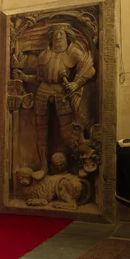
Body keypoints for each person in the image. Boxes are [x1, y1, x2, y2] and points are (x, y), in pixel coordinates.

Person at [13, 23, 95, 180]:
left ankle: (79, 165)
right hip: (43, 91)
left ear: (67, 37)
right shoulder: (44, 55)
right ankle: (44, 167)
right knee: (41, 133)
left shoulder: (73, 53)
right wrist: (24, 77)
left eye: (61, 34)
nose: (58, 37)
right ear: (51, 38)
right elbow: (39, 78)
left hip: (61, 92)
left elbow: (90, 70)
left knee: (67, 133)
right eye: (56, 34)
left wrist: (75, 84)